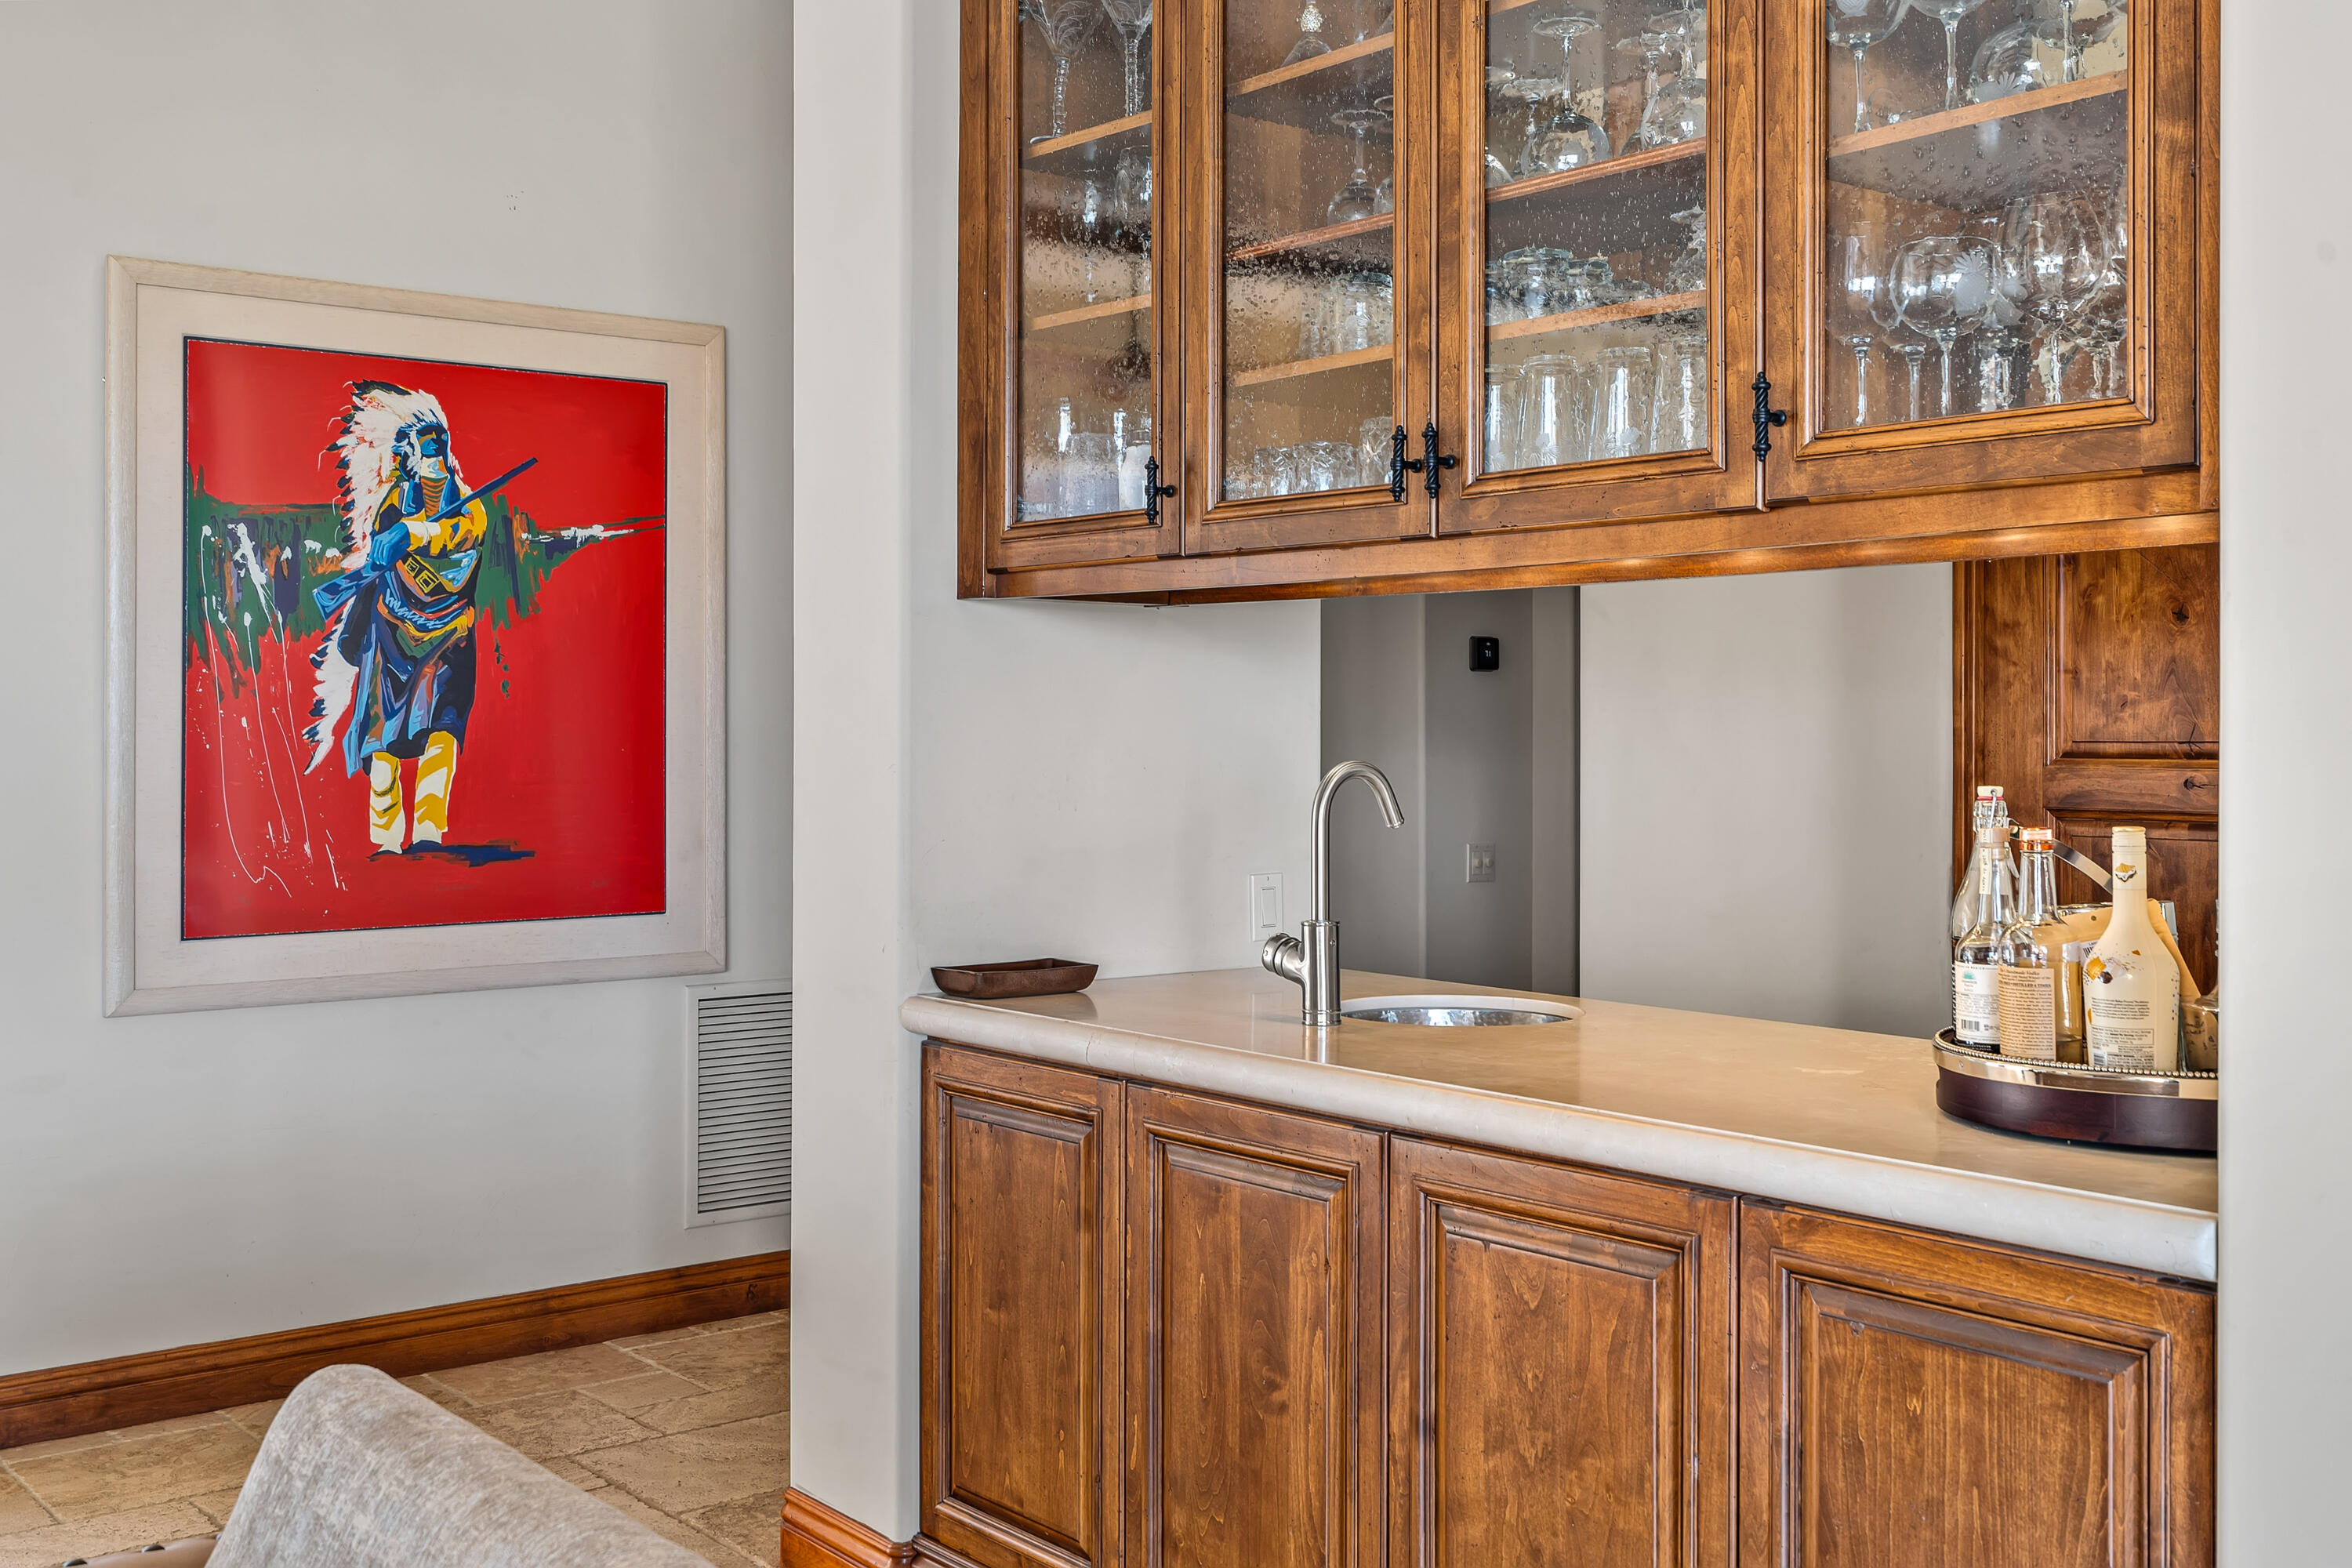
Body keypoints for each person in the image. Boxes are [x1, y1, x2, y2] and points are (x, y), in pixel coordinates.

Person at [304, 383, 490, 854]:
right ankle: (386, 843)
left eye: (438, 450)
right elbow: (383, 555)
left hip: (449, 639)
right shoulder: (391, 502)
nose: (432, 459)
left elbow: (456, 537)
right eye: (423, 450)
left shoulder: (473, 508)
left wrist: (416, 532)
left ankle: (429, 835)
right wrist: (389, 547)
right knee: (380, 744)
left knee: (443, 734)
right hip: (389, 637)